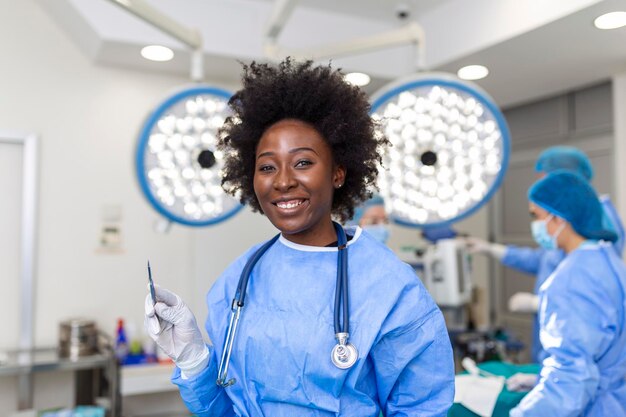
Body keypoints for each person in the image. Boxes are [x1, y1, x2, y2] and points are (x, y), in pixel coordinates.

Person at [144, 59, 454, 417]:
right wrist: (194, 358)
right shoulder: (239, 279)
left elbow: (421, 408)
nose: (283, 181)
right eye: (267, 166)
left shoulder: (390, 289)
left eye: (303, 162)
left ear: (338, 172)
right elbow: (225, 409)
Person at [466, 146, 625, 363]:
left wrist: (542, 303)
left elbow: (594, 298)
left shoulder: (596, 229)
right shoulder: (566, 236)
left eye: (546, 178)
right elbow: (543, 260)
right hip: (559, 345)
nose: (542, 185)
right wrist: (493, 249)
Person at [508, 170, 626, 416]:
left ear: (559, 218)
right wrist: (541, 377)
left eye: (536, 216)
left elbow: (572, 378)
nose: (536, 226)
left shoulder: (571, 280)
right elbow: (600, 351)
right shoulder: (609, 261)